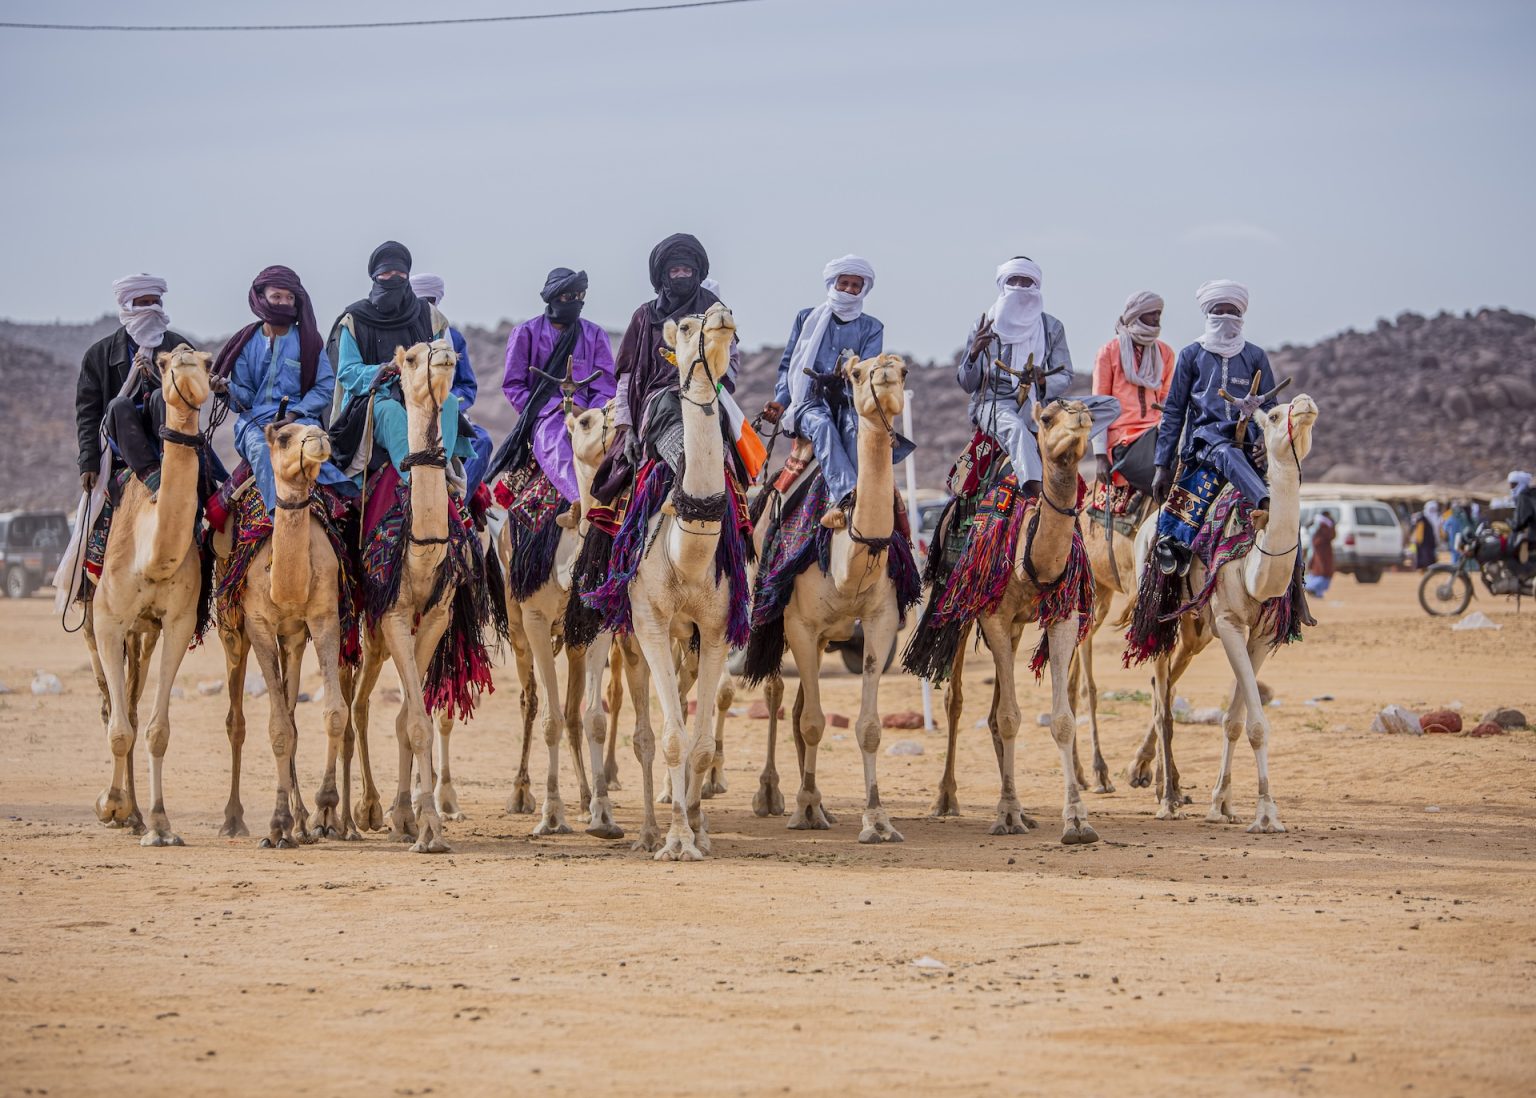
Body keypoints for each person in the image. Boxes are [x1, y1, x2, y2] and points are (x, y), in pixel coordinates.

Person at [763, 255, 909, 526]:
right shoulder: (806, 318)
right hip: (810, 400)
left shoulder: (872, 327)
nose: (850, 290)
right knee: (821, 426)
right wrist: (782, 400)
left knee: (857, 432)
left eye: (856, 285)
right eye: (844, 284)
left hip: (849, 401)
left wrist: (849, 374)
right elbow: (789, 365)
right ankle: (846, 496)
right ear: (833, 283)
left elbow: (868, 371)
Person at [956, 256, 1118, 499]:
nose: (1020, 288)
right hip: (995, 404)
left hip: (1039, 404)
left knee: (1109, 405)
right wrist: (974, 353)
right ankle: (1034, 490)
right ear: (1003, 284)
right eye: (1015, 281)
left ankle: (1064, 444)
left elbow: (1065, 375)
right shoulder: (984, 326)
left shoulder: (1051, 327)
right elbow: (967, 384)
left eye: (1027, 282)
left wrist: (1042, 382)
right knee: (1017, 428)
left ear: (1037, 286)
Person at [595, 232, 737, 500]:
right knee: (668, 406)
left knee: (731, 449)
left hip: (708, 392)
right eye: (675, 270)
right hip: (658, 396)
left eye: (687, 269)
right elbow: (626, 376)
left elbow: (732, 356)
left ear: (697, 272)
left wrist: (716, 385)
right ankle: (687, 481)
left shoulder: (713, 308)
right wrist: (626, 429)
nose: (682, 275)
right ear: (663, 275)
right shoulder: (645, 316)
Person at [1151, 280, 1278, 575]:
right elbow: (1173, 412)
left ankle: (1295, 591)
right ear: (1207, 314)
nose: (1225, 318)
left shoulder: (1256, 356)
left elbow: (1271, 409)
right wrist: (1162, 464)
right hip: (1204, 443)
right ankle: (1264, 501)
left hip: (1248, 444)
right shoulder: (1191, 355)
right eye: (1218, 312)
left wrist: (1265, 443)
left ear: (1242, 316)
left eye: (1231, 312)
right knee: (1224, 451)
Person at [329, 241, 473, 490]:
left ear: (407, 276)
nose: (393, 278)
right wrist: (384, 370)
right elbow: (347, 372)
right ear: (375, 277)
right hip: (374, 397)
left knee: (448, 402)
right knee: (391, 413)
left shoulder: (428, 316)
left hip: (421, 393)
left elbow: (443, 360)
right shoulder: (355, 319)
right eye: (386, 274)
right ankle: (416, 480)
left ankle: (441, 473)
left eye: (399, 273)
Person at [211, 266, 350, 514]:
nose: (284, 303)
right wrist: (225, 389)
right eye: (277, 297)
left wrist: (294, 415)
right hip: (254, 424)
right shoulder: (246, 343)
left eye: (290, 298)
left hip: (301, 421)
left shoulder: (308, 341)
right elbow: (244, 398)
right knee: (265, 450)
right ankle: (280, 516)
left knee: (318, 450)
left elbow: (324, 386)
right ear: (261, 299)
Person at [494, 266, 616, 503]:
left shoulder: (595, 335)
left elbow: (605, 385)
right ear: (554, 297)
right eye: (569, 297)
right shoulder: (526, 333)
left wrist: (591, 412)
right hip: (547, 414)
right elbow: (513, 386)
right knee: (557, 436)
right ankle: (579, 500)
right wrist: (557, 407)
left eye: (580, 297)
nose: (576, 302)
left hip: (591, 413)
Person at [77, 274, 197, 493]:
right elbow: (88, 414)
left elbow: (192, 395)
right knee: (118, 405)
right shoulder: (98, 355)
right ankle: (151, 475)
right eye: (143, 303)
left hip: (171, 434)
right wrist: (88, 461)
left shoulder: (179, 347)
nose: (151, 308)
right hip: (122, 438)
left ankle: (176, 470)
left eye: (155, 302)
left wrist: (155, 374)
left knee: (162, 395)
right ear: (127, 306)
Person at [410, 272, 492, 492]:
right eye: (420, 301)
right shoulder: (398, 333)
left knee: (482, 441)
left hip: (448, 412)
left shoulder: (453, 337)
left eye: (430, 302)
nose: (426, 307)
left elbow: (468, 386)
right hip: (407, 410)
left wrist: (449, 402)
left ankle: (459, 505)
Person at [1092, 290, 1174, 492]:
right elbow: (1098, 407)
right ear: (1136, 315)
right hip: (1124, 440)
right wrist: (1100, 456)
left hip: (1157, 432)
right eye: (1151, 313)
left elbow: (1168, 400)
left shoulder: (1165, 352)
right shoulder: (1109, 352)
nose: (1156, 318)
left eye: (1159, 313)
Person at [1305, 509, 1336, 597]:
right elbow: (1331, 535)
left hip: (1319, 551)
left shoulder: (1320, 522)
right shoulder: (1324, 524)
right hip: (1321, 552)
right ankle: (1310, 587)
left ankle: (1316, 591)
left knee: (1318, 570)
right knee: (1322, 571)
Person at [1411, 500, 1440, 570]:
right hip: (1423, 543)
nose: (1432, 511)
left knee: (1430, 558)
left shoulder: (1435, 518)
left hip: (1431, 542)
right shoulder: (1422, 518)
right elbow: (1419, 531)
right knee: (1424, 558)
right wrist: (1419, 541)